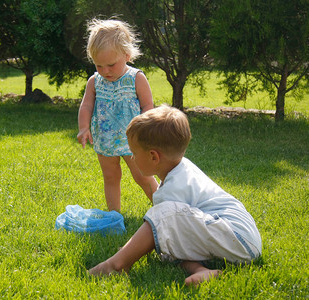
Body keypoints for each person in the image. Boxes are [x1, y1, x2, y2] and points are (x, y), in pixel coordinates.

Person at [88, 105, 262, 286]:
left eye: (134, 152)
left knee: (162, 218)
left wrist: (133, 249)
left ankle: (115, 265)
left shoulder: (173, 189)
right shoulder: (182, 169)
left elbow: (160, 226)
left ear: (153, 157)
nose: (132, 158)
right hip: (241, 239)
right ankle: (201, 271)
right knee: (167, 247)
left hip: (235, 235)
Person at [77, 19, 159, 212]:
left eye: (111, 65)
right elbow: (86, 105)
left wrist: (145, 130)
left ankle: (163, 207)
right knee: (111, 176)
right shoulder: (94, 81)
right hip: (105, 138)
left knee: (142, 175)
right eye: (99, 66)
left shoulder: (136, 78)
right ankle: (115, 215)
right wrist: (83, 127)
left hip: (134, 139)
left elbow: (148, 105)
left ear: (127, 55)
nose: (105, 71)